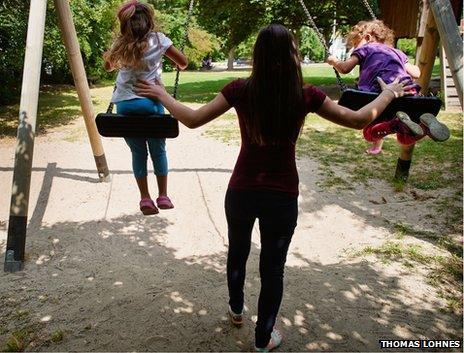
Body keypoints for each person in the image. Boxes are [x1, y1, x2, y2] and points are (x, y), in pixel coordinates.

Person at [135, 24, 408, 351]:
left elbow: (193, 119)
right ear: (293, 55)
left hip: (241, 192)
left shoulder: (240, 89)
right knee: (272, 269)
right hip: (282, 197)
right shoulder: (306, 95)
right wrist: (389, 93)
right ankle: (263, 340)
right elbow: (358, 119)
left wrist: (163, 94)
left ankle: (236, 310)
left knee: (237, 252)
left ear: (258, 56)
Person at [103, 0, 188, 215]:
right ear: (149, 21)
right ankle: (163, 196)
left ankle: (145, 199)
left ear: (125, 25)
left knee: (138, 153)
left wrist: (115, 55)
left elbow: (108, 66)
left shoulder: (120, 43)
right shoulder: (159, 40)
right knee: (158, 151)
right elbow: (183, 62)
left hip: (124, 106)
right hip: (150, 102)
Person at [327, 20, 450, 157]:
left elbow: (345, 68)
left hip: (379, 94)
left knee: (369, 133)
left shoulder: (365, 48)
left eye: (355, 44)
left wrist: (334, 61)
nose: (354, 48)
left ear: (367, 38)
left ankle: (396, 124)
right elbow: (416, 73)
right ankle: (425, 127)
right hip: (407, 92)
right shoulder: (396, 52)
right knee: (404, 138)